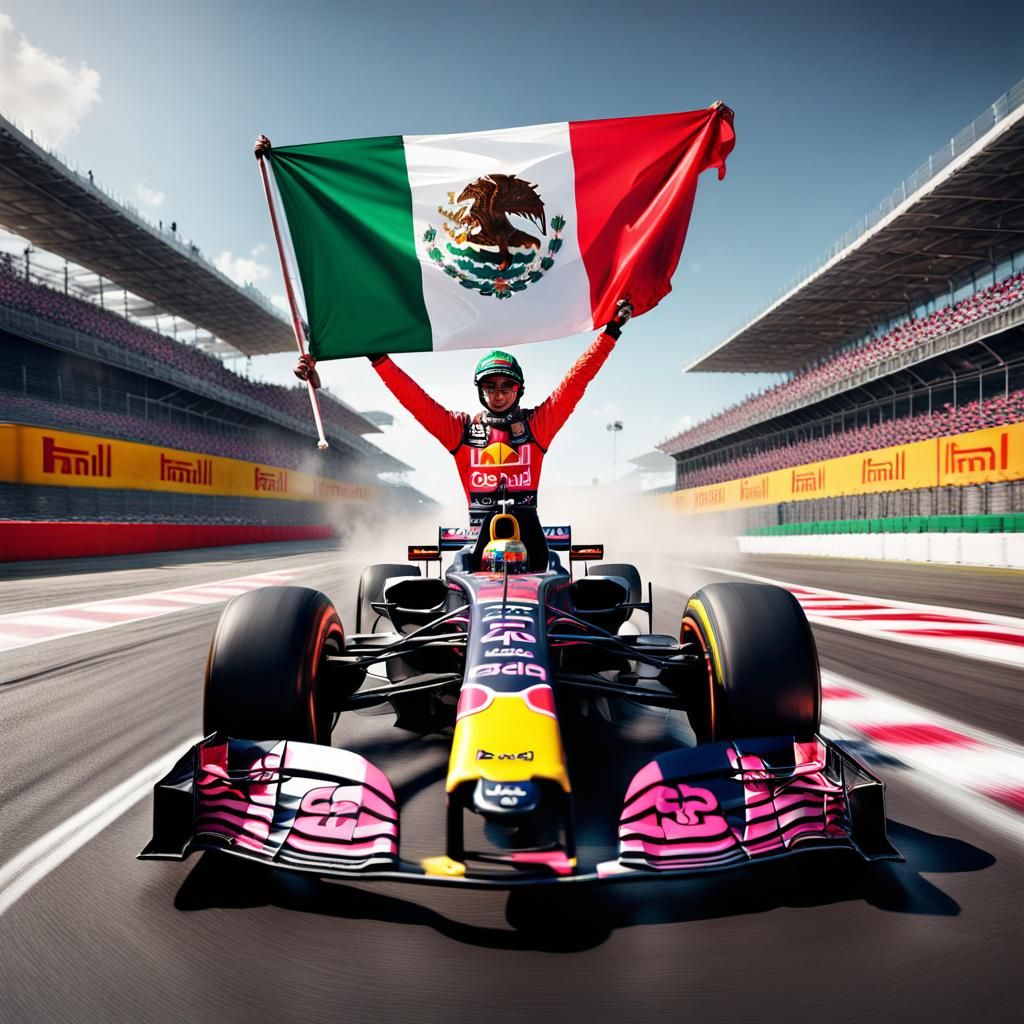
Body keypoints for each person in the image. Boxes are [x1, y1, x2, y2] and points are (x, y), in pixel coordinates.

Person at [296, 304, 631, 568]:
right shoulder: (461, 431)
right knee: (454, 574)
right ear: (480, 391)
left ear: (519, 389)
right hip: (476, 547)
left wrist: (611, 331)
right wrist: (378, 357)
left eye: (506, 387)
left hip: (534, 548)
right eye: (490, 387)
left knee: (558, 575)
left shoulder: (537, 426)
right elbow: (415, 400)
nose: (498, 394)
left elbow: (576, 381)